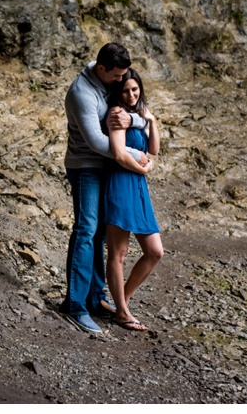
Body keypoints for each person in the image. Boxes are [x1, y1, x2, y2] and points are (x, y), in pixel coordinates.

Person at [60, 43, 149, 334]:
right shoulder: (82, 94)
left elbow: (129, 112)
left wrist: (135, 119)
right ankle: (75, 305)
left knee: (99, 233)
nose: (121, 81)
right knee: (86, 230)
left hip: (106, 166)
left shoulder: (104, 73)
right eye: (117, 76)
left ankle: (95, 298)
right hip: (86, 166)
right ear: (102, 69)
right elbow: (98, 142)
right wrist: (134, 155)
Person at [103, 68, 162, 332]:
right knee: (119, 253)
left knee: (155, 251)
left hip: (138, 187)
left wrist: (151, 119)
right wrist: (143, 168)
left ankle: (121, 303)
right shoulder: (116, 114)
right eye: (126, 90)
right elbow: (118, 153)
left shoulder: (139, 115)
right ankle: (123, 312)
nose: (131, 94)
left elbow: (154, 150)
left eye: (135, 89)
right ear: (119, 92)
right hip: (121, 181)